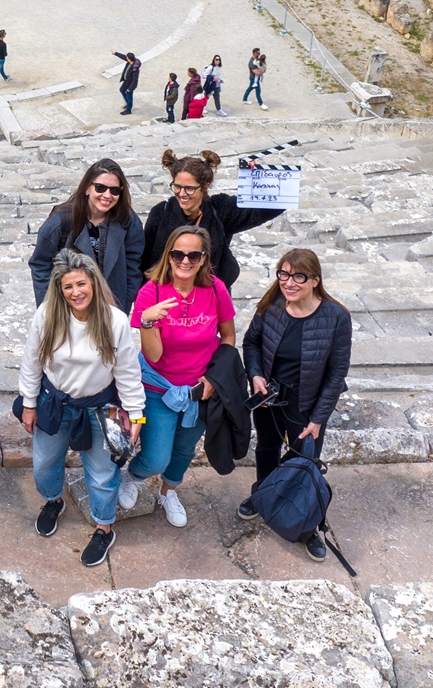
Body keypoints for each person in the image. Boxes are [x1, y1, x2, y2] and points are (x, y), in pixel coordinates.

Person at [21, 250, 145, 567]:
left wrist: (136, 415)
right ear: (59, 290)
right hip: (56, 402)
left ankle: (104, 527)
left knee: (104, 473)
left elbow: (128, 372)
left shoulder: (114, 320)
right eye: (68, 287)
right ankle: (53, 500)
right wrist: (29, 403)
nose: (76, 292)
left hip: (103, 406)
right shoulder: (46, 315)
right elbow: (32, 361)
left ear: (93, 282)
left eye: (81, 284)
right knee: (44, 462)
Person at [119, 223, 236, 529]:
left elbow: (228, 338)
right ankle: (132, 475)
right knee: (156, 457)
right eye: (178, 254)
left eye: (194, 255)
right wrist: (147, 321)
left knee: (183, 451)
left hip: (199, 390)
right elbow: (154, 356)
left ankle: (168, 492)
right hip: (159, 388)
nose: (185, 261)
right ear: (168, 256)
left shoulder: (216, 289)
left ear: (204, 258)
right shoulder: (151, 292)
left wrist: (214, 378)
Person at [240, 248, 353, 562]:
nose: (289, 283)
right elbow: (251, 342)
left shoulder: (336, 316)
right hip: (270, 397)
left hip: (307, 402)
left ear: (315, 280)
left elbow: (336, 372)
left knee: (304, 461)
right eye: (284, 274)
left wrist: (318, 418)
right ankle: (264, 495)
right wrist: (256, 375)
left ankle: (309, 527)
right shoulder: (271, 305)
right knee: (266, 448)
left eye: (298, 276)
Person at [140, 149, 286, 288]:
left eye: (189, 188)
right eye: (177, 187)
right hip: (169, 298)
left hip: (211, 298)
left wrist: (257, 178)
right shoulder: (160, 213)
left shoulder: (221, 209)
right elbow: (144, 261)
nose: (182, 194)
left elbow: (272, 206)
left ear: (205, 187)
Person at [29, 158, 145, 311]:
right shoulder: (60, 221)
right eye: (100, 188)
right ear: (87, 188)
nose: (107, 195)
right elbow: (40, 265)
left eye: (114, 190)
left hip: (110, 309)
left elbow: (134, 264)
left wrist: (123, 304)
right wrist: (49, 309)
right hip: (68, 309)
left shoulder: (128, 221)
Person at [113, 50, 141, 116]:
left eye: (127, 58)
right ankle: (128, 103)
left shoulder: (135, 69)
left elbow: (134, 80)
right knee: (121, 90)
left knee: (129, 96)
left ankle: (129, 110)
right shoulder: (130, 62)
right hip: (126, 81)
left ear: (130, 59)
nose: (126, 58)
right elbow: (123, 57)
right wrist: (116, 53)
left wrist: (130, 88)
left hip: (130, 85)